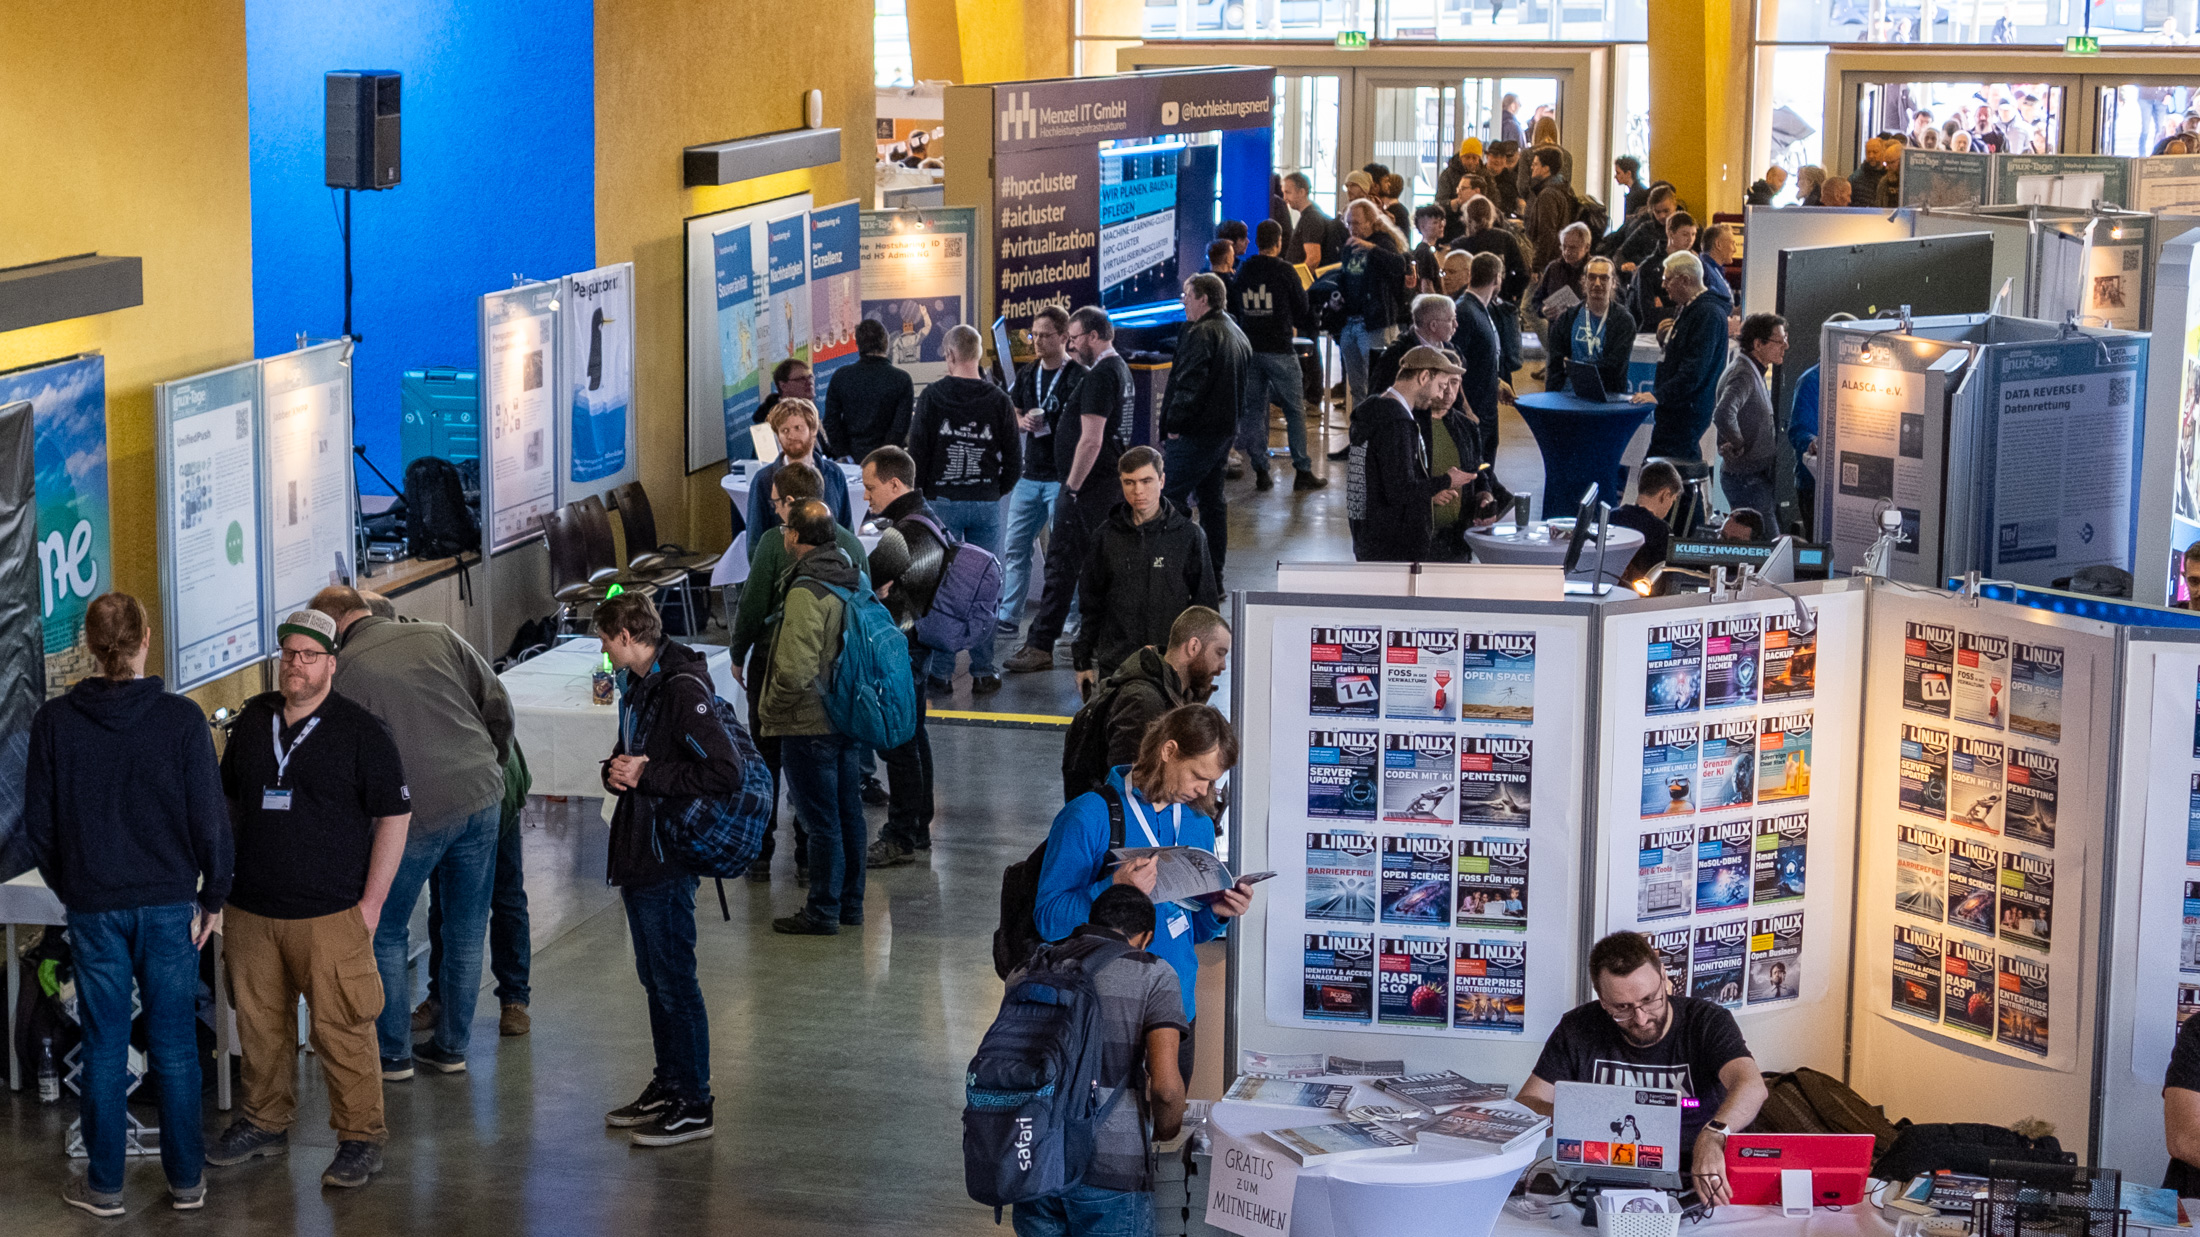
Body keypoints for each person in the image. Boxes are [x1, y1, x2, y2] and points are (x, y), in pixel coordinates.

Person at [27, 593, 229, 1216]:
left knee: (106, 1042)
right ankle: (188, 1181)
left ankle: (105, 1186)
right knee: (173, 1043)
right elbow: (210, 821)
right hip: (171, 906)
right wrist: (213, 895)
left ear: (89, 647)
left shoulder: (54, 723)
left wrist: (75, 888)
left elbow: (40, 827)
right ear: (147, 641)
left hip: (93, 907)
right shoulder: (181, 720)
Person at [206, 610, 410, 1190]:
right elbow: (227, 803)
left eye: (309, 655)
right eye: (289, 654)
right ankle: (265, 1123)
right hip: (251, 910)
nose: (297, 665)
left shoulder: (360, 731)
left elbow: (395, 816)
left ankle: (360, 1137)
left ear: (331, 664)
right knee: (261, 1029)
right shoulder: (252, 721)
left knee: (342, 1028)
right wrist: (219, 889)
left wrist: (371, 905)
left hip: (330, 912)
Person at [308, 585, 513, 1080]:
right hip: (480, 795)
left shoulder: (344, 670)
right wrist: (491, 766)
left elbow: (337, 761)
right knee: (466, 928)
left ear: (333, 627)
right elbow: (498, 704)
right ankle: (452, 1049)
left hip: (409, 815)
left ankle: (393, 1053)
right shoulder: (439, 635)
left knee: (386, 927)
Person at [1034, 705, 1254, 1085]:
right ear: (1169, 751)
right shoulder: (1088, 816)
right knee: (1106, 1135)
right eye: (1199, 777)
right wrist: (1113, 888)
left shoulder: (1197, 825)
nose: (1205, 792)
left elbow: (1189, 929)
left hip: (1175, 1008)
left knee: (1165, 1126)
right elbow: (1049, 919)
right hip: (1104, 1009)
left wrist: (1216, 912)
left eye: (1213, 782)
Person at [596, 593, 743, 1146]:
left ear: (628, 637)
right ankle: (669, 1083)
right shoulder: (641, 686)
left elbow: (723, 773)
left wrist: (649, 775)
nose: (604, 652)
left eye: (606, 641)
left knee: (675, 981)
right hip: (639, 852)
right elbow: (633, 750)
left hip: (667, 857)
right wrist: (615, 770)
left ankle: (695, 1101)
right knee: (654, 978)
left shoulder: (682, 689)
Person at [1515, 931, 1767, 1207]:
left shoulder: (1707, 1022)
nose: (1641, 1018)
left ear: (1663, 976)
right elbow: (1527, 1104)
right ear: (1602, 999)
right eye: (1622, 1008)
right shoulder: (1578, 1028)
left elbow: (1752, 1086)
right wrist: (1581, 1118)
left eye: (1650, 999)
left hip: (1698, 1176)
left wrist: (1714, 1134)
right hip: (1603, 1175)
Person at [1006, 886, 1187, 1237]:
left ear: (1091, 922)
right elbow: (1165, 1087)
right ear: (1145, 937)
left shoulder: (1029, 968)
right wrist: (1166, 1132)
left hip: (1032, 1156)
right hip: (1111, 1167)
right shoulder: (1153, 974)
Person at [731, 462, 868, 882]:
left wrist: (738, 653)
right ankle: (811, 860)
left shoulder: (777, 543)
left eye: (775, 503)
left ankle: (760, 851)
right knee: (830, 787)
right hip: (840, 674)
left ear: (792, 505)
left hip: (779, 664)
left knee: (766, 760)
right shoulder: (853, 545)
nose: (773, 512)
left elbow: (753, 604)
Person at [757, 499, 872, 936]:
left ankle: (822, 910)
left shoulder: (807, 590)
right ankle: (851, 904)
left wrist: (772, 711)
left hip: (809, 724)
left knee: (821, 823)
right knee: (849, 816)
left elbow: (794, 669)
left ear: (795, 537)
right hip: (846, 714)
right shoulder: (850, 576)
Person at [1006, 306, 1129, 675]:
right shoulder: (1117, 370)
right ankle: (1082, 640)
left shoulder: (1100, 375)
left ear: (1093, 337)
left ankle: (1042, 643)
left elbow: (1090, 441)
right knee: (1086, 565)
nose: (1071, 346)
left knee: (1061, 565)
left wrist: (1071, 488)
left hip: (1086, 487)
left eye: (1073, 339)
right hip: (1096, 484)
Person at [909, 322, 1019, 694]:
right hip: (986, 502)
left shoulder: (933, 396)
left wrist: (924, 497)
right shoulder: (999, 399)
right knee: (986, 585)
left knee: (943, 586)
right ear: (979, 354)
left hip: (942, 502)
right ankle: (983, 671)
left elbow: (918, 453)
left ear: (951, 355)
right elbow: (1015, 461)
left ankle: (940, 675)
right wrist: (993, 490)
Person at [857, 446, 946, 869]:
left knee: (899, 743)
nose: (866, 497)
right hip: (920, 647)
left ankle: (901, 835)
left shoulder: (901, 533)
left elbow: (861, 583)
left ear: (895, 484)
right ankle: (919, 827)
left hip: (901, 651)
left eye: (871, 487)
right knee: (915, 737)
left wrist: (879, 588)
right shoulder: (928, 517)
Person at [1073, 446, 1223, 696]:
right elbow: (1091, 605)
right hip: (1117, 669)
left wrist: (1203, 671)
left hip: (1173, 670)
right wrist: (1083, 661)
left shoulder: (1189, 537)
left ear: (1161, 480)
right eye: (1129, 482)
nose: (1138, 491)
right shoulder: (1105, 537)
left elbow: (1205, 609)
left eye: (1146, 481)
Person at [1062, 606, 1231, 800]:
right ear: (1194, 646)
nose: (1223, 666)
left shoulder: (1175, 694)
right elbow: (1129, 786)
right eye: (1219, 653)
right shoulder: (1143, 702)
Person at [1348, 346, 1481, 562]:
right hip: (1393, 548)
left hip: (1369, 537)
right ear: (1424, 376)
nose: (1441, 394)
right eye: (1440, 385)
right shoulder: (1396, 422)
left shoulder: (1373, 412)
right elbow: (1400, 489)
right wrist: (1447, 480)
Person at [1158, 273, 1251, 580]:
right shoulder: (1235, 331)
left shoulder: (1202, 334)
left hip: (1195, 435)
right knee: (1213, 502)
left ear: (1204, 299)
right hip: (1221, 434)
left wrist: (1174, 424)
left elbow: (1189, 385)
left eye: (1187, 295)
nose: (1183, 301)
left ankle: (1179, 571)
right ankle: (1213, 576)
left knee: (1169, 499)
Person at [1001, 306, 1084, 638]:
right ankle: (1009, 615)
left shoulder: (1078, 377)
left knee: (1063, 552)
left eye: (1045, 335)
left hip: (1060, 478)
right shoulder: (1028, 373)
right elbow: (1014, 407)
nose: (1036, 341)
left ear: (1064, 337)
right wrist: (1021, 422)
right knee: (1015, 547)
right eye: (1033, 334)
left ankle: (1072, 615)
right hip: (1029, 475)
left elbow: (1087, 428)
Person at [1233, 219, 1321, 491]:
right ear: (1279, 241)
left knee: (1253, 410)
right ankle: (1302, 471)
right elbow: (1303, 306)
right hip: (1281, 349)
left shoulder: (1244, 269)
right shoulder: (1285, 271)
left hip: (1251, 349)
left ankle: (1261, 470)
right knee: (1295, 410)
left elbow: (1236, 304)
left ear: (1257, 241)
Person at [1634, 252, 1733, 463]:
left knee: (1660, 473)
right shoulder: (1691, 309)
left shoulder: (1707, 314)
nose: (1664, 285)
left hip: (1685, 412)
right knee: (1667, 470)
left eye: (1668, 279)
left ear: (1685, 280)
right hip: (1677, 410)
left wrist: (1659, 395)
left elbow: (1694, 371)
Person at [1336, 200, 1412, 429]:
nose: (1352, 228)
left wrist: (1372, 249)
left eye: (1357, 223)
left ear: (1372, 221)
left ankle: (1379, 435)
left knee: (1378, 383)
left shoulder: (1383, 243)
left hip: (1376, 324)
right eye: (1349, 223)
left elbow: (1399, 266)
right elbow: (1346, 276)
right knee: (1357, 388)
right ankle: (1359, 436)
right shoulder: (1350, 245)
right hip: (1351, 321)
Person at [1715, 313, 1788, 521]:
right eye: (1779, 341)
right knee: (1767, 546)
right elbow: (1723, 413)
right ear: (1758, 344)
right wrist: (1738, 443)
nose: (1786, 346)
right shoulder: (1744, 374)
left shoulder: (1748, 369)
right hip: (1747, 480)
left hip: (1750, 478)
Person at [748, 398, 854, 539]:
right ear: (778, 437)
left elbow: (847, 531)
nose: (791, 436)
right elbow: (755, 539)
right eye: (784, 430)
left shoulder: (834, 474)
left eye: (798, 428)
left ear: (813, 430)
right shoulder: (763, 479)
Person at [823, 318, 915, 465]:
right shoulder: (901, 380)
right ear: (887, 342)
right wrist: (884, 456)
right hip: (887, 462)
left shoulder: (841, 376)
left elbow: (830, 421)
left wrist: (844, 453)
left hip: (851, 458)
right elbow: (900, 427)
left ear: (858, 344)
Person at [1546, 256, 1637, 398]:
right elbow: (1555, 364)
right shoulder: (1567, 318)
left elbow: (1615, 366)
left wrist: (1573, 368)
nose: (1597, 283)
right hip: (1569, 398)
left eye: (1604, 278)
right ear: (1584, 281)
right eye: (1592, 277)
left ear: (1613, 282)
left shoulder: (1624, 321)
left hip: (1607, 398)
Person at [1454, 252, 1513, 466]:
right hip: (1474, 412)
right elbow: (1454, 365)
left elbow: (1478, 358)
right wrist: (1466, 409)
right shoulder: (1466, 312)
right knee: (1475, 471)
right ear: (1497, 278)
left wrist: (1496, 382)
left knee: (1484, 470)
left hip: (1485, 407)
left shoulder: (1477, 309)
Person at [1611, 460, 1682, 584]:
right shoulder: (1661, 531)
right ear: (1665, 494)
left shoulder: (1611, 516)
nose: (1670, 506)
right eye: (1672, 500)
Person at [1631, 210, 1698, 331]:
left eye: (1693, 234)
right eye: (1684, 234)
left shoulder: (1695, 264)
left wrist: (1664, 302)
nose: (1690, 239)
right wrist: (1685, 307)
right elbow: (1649, 314)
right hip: (1652, 333)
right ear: (1671, 233)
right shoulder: (1649, 267)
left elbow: (1699, 304)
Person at [1522, 147, 1575, 268]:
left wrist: (1537, 264)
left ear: (1546, 168)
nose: (1531, 167)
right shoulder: (1562, 188)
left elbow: (1547, 232)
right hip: (1558, 257)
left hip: (1549, 261)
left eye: (1535, 164)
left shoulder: (1547, 195)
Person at [1281, 171, 1342, 269]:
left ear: (1302, 192)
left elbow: (1313, 259)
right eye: (1283, 193)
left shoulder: (1311, 218)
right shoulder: (1313, 214)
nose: (1284, 198)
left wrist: (1296, 281)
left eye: (1288, 192)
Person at [755, 357, 817, 438]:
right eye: (801, 379)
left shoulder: (809, 411)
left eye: (810, 377)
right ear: (783, 385)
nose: (809, 382)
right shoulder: (770, 423)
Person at [1436, 138, 1486, 210]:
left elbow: (1494, 200)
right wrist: (1457, 202)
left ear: (1479, 159)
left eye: (1474, 158)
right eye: (1467, 157)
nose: (1470, 162)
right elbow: (1439, 203)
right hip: (1454, 219)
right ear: (1461, 157)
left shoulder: (1485, 175)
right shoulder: (1448, 175)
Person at [1613, 155, 1648, 220]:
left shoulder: (1637, 195)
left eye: (1618, 173)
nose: (1615, 176)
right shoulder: (1639, 190)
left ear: (1628, 173)